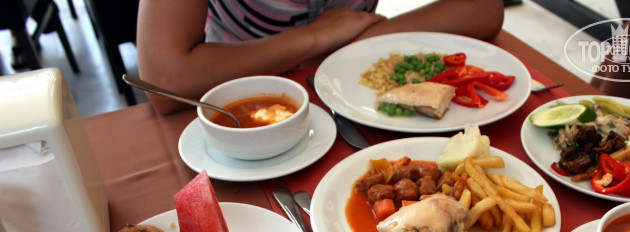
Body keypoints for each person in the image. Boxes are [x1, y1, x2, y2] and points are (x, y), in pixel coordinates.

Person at [137, 0, 505, 114]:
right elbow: (164, 80)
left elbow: (482, 8)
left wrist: (361, 43)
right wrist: (314, 37)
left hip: (355, 98)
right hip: (236, 97)